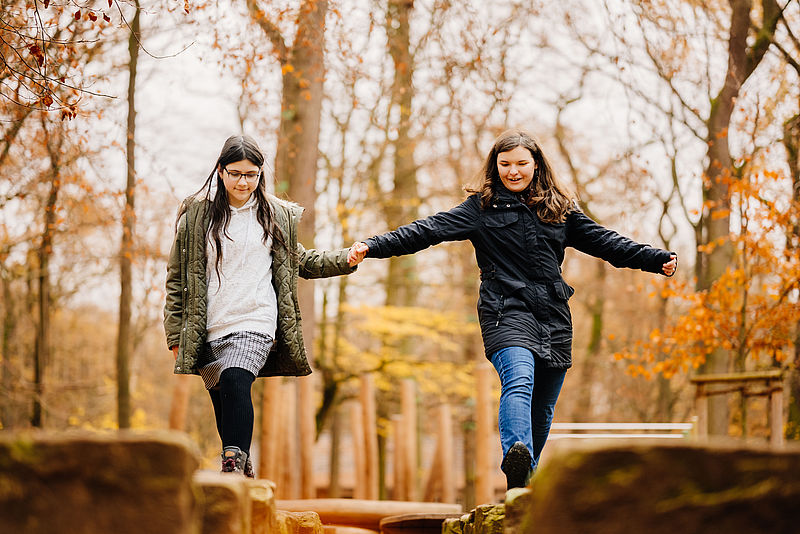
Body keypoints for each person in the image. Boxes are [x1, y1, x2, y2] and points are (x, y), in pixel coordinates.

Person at [347, 129, 677, 490]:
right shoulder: (480, 209)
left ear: (536, 165)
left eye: (521, 163)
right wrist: (373, 245)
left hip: (553, 318)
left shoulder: (560, 211)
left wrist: (654, 258)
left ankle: (523, 486)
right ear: (495, 165)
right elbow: (428, 230)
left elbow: (606, 242)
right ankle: (516, 454)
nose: (513, 171)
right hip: (505, 312)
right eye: (505, 164)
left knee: (543, 408)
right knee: (519, 379)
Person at [164, 134, 363, 477]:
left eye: (252, 174)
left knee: (236, 380)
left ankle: (232, 467)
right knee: (223, 398)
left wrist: (346, 258)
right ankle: (241, 467)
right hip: (208, 325)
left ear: (260, 175)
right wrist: (174, 334)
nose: (244, 182)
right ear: (221, 172)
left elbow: (304, 261)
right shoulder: (196, 217)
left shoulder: (274, 216)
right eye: (236, 173)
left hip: (256, 320)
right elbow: (176, 279)